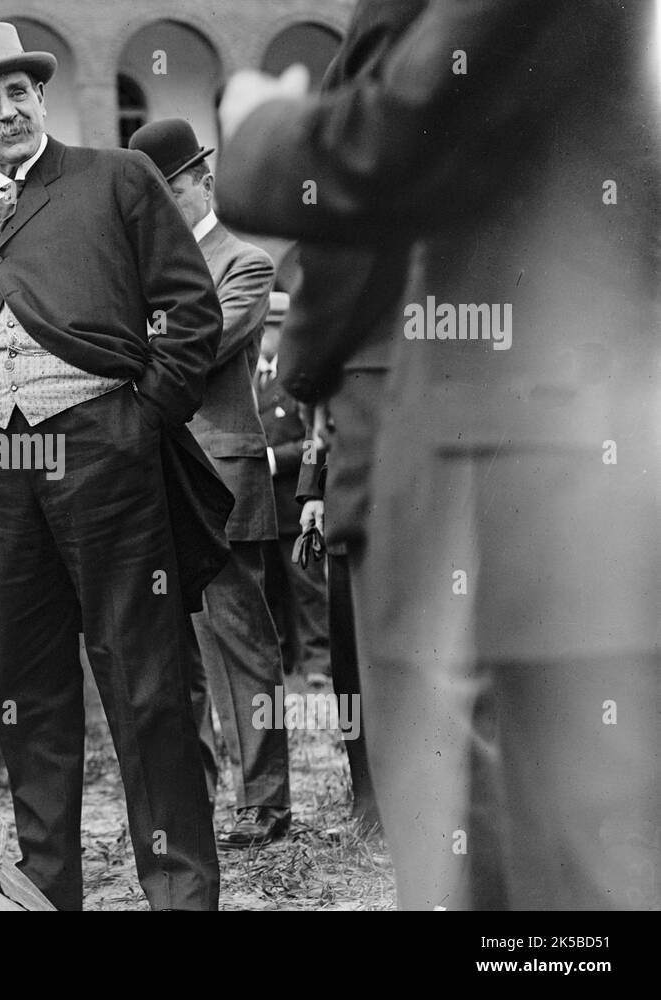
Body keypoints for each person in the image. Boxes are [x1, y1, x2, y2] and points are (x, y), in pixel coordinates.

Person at [216, 0, 661, 909]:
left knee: (510, 856)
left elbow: (397, 141)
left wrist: (254, 121)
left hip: (520, 462)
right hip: (581, 438)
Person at [0, 22, 227, 910]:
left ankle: (178, 891)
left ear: (40, 100)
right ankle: (47, 892)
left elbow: (189, 310)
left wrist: (138, 422)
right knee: (26, 693)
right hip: (0, 472)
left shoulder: (118, 179)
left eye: (19, 93)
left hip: (109, 457)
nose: (8, 111)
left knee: (145, 684)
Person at [284, 0, 430, 835]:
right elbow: (319, 394)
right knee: (350, 653)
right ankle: (368, 790)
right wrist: (313, 486)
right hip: (352, 469)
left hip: (424, 460)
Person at [128, 118, 291, 845]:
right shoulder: (139, 269)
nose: (163, 206)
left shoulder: (244, 263)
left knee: (241, 646)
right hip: (152, 477)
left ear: (204, 181)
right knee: (172, 648)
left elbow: (201, 347)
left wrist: (132, 344)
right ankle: (198, 795)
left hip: (221, 477)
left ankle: (265, 801)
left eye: (172, 189)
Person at [256, 311, 330, 686]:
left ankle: (318, 664)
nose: (263, 335)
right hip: (260, 507)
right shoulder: (250, 381)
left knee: (308, 587)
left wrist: (273, 459)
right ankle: (283, 663)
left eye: (269, 328)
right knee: (270, 591)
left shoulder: (296, 379)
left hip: (296, 502)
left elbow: (311, 441)